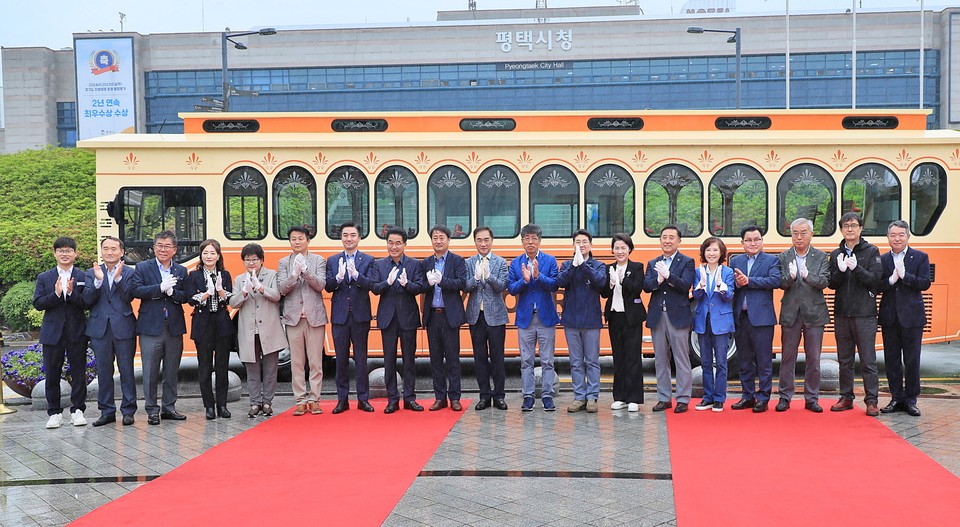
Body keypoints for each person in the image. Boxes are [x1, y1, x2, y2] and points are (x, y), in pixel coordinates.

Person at [129, 230, 189, 425]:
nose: (163, 249)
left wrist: (172, 293)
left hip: (173, 326)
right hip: (150, 327)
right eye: (159, 246)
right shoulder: (142, 267)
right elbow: (136, 290)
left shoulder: (180, 270)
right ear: (154, 248)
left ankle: (169, 408)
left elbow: (185, 296)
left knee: (172, 370)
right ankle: (152, 410)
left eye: (167, 246)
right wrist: (159, 288)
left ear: (175, 249)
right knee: (150, 371)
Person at [829, 212, 882, 416]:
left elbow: (875, 281)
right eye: (846, 226)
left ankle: (871, 400)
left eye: (854, 225)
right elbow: (832, 284)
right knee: (845, 360)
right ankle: (846, 397)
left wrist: (856, 268)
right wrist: (841, 271)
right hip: (842, 314)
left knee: (868, 360)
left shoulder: (871, 252)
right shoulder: (836, 254)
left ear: (861, 228)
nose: (850, 229)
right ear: (841, 229)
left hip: (865, 314)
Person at [34, 237, 89, 429]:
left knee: (78, 372)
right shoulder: (45, 278)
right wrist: (56, 294)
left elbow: (87, 303)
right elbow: (38, 303)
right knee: (52, 373)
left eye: (68, 250)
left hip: (77, 332)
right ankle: (54, 412)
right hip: (52, 332)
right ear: (54, 253)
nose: (64, 254)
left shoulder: (83, 276)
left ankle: (78, 410)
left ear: (75, 253)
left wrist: (72, 293)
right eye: (61, 250)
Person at [83, 236, 137, 427]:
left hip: (124, 326)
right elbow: (86, 301)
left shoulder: (129, 272)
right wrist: (98, 282)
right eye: (106, 249)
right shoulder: (91, 273)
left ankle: (128, 411)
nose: (109, 252)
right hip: (99, 329)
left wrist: (119, 279)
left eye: (113, 249)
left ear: (121, 252)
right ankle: (106, 411)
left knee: (127, 370)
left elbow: (130, 296)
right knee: (104, 371)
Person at [776, 218, 829, 413]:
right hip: (790, 313)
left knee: (813, 358)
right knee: (787, 357)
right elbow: (780, 283)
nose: (799, 237)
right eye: (795, 233)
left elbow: (825, 281)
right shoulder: (783, 256)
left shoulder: (821, 257)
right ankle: (784, 396)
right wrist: (790, 278)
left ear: (811, 234)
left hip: (814, 313)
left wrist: (808, 276)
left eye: (803, 233)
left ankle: (812, 398)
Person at [370, 226, 425, 414]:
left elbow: (419, 287)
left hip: (408, 318)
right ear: (387, 244)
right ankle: (392, 399)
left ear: (405, 245)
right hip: (387, 319)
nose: (394, 247)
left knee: (409, 360)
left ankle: (409, 398)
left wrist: (406, 284)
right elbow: (375, 288)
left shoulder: (414, 264)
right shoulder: (379, 265)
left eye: (398, 243)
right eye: (390, 243)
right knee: (389, 361)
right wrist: (388, 283)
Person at [878, 220, 930, 417]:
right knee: (891, 360)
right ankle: (896, 398)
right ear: (888, 237)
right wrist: (890, 280)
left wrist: (906, 276)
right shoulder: (883, 260)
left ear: (908, 236)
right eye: (893, 235)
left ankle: (911, 400)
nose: (896, 238)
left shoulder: (920, 257)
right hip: (890, 317)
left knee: (912, 360)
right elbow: (877, 286)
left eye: (901, 234)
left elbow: (925, 283)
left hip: (912, 317)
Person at [643, 225, 696, 414]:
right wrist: (657, 280)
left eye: (671, 237)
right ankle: (664, 398)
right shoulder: (653, 262)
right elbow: (646, 286)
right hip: (657, 316)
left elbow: (685, 286)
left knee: (681, 358)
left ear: (679, 241)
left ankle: (682, 398)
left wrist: (669, 276)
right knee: (660, 359)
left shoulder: (687, 262)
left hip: (678, 316)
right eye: (664, 237)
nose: (667, 240)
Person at [324, 222, 376, 414]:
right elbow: (327, 286)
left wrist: (357, 276)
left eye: (352, 235)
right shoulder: (332, 260)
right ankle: (342, 400)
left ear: (359, 238)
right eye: (345, 235)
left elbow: (371, 284)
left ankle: (363, 399)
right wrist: (338, 278)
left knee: (361, 359)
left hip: (360, 315)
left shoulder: (368, 260)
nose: (349, 238)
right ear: (341, 238)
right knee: (341, 360)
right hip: (340, 316)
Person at [729, 226, 781, 413]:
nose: (753, 243)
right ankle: (747, 396)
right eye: (748, 240)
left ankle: (763, 397)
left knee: (764, 361)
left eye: (756, 239)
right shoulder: (735, 260)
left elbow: (775, 281)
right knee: (744, 360)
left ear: (762, 241)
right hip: (741, 317)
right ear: (742, 243)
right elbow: (730, 286)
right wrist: (735, 283)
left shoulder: (771, 260)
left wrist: (749, 281)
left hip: (762, 319)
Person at [230, 243, 285, 418]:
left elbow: (277, 296)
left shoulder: (272, 275)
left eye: (254, 259)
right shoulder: (239, 279)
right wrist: (244, 292)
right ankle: (254, 403)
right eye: (247, 260)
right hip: (248, 330)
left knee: (270, 369)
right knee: (251, 369)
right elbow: (233, 303)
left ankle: (267, 402)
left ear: (261, 260)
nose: (251, 263)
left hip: (269, 329)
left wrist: (260, 288)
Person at [509, 223, 560, 412]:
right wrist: (525, 280)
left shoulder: (550, 260)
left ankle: (547, 395)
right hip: (525, 318)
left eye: (534, 238)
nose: (530, 242)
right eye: (527, 238)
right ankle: (528, 395)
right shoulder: (516, 263)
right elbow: (511, 288)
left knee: (547, 360)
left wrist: (538, 277)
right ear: (522, 241)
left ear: (539, 241)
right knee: (526, 360)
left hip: (546, 317)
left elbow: (555, 285)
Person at [277, 226, 328, 416]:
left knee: (316, 361)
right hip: (293, 318)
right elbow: (282, 288)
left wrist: (305, 272)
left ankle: (314, 399)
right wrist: (293, 275)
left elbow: (321, 285)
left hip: (314, 317)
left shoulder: (318, 260)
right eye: (293, 239)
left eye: (300, 238)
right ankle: (300, 400)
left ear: (308, 240)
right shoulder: (284, 262)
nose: (297, 242)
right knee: (296, 362)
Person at [557, 229, 606, 414]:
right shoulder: (567, 265)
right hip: (571, 320)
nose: (581, 245)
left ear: (591, 245)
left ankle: (592, 397)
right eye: (578, 242)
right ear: (573, 245)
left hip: (591, 320)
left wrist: (584, 266)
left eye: (585, 242)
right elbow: (560, 282)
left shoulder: (598, 265)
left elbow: (601, 282)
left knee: (592, 361)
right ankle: (579, 396)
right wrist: (574, 266)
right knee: (575, 361)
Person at [185, 239, 234, 420]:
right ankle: (209, 406)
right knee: (204, 366)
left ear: (218, 255)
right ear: (201, 255)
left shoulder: (225, 274)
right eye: (205, 253)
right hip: (202, 322)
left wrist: (220, 291)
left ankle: (222, 404)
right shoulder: (194, 275)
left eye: (212, 253)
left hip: (221, 322)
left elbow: (230, 298)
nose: (209, 256)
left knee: (222, 366)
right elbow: (190, 298)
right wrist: (206, 293)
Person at [421, 225, 468, 412]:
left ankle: (455, 398)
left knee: (452, 359)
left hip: (450, 317)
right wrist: (428, 284)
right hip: (433, 315)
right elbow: (420, 286)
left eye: (442, 238)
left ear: (449, 240)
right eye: (435, 238)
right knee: (435, 360)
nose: (438, 241)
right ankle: (439, 397)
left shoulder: (457, 261)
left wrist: (442, 281)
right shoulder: (425, 263)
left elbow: (462, 283)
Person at [464, 226, 509, 411]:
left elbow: (502, 287)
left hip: (496, 316)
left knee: (498, 358)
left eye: (486, 240)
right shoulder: (468, 263)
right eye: (479, 240)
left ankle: (499, 396)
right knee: (479, 357)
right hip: (476, 316)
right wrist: (475, 279)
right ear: (474, 242)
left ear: (492, 241)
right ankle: (484, 396)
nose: (483, 243)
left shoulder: (500, 262)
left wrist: (489, 277)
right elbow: (465, 287)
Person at [600, 233, 646, 412]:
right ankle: (620, 397)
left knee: (633, 357)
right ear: (612, 250)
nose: (620, 251)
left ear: (630, 249)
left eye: (623, 248)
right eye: (617, 248)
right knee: (618, 357)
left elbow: (636, 290)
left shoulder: (636, 267)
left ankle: (634, 398)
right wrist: (610, 284)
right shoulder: (608, 268)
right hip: (614, 316)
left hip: (632, 318)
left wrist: (622, 279)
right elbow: (603, 293)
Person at [692, 237, 735, 412]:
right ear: (704, 253)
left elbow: (729, 296)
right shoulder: (698, 271)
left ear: (721, 253)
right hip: (703, 320)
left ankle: (719, 398)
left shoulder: (727, 272)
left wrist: (721, 285)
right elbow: (696, 296)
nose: (711, 253)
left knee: (722, 362)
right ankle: (707, 397)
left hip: (721, 321)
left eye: (715, 250)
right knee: (706, 362)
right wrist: (700, 287)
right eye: (708, 250)